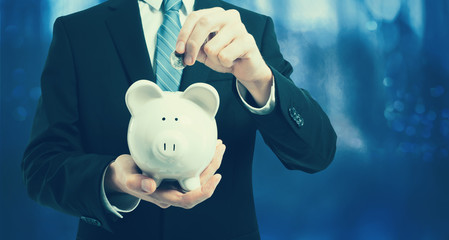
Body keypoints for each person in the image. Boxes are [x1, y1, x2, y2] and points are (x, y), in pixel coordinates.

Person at [22, 0, 337, 239]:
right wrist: (111, 179)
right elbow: (41, 167)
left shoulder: (247, 30)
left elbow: (316, 153)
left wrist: (258, 79)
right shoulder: (77, 33)